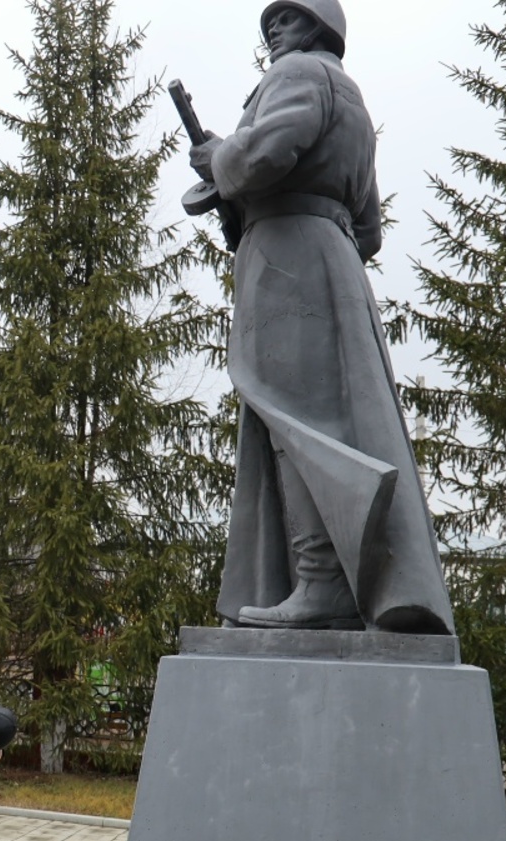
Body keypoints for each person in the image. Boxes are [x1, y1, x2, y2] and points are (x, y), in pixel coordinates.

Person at [188, 0, 453, 634]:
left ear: (316, 27)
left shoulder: (297, 73)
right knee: (326, 421)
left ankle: (322, 582)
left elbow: (264, 155)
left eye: (287, 18)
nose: (274, 30)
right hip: (331, 258)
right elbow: (369, 229)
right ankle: (328, 581)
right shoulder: (351, 97)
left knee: (293, 421)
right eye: (271, 22)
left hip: (287, 262)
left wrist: (220, 160)